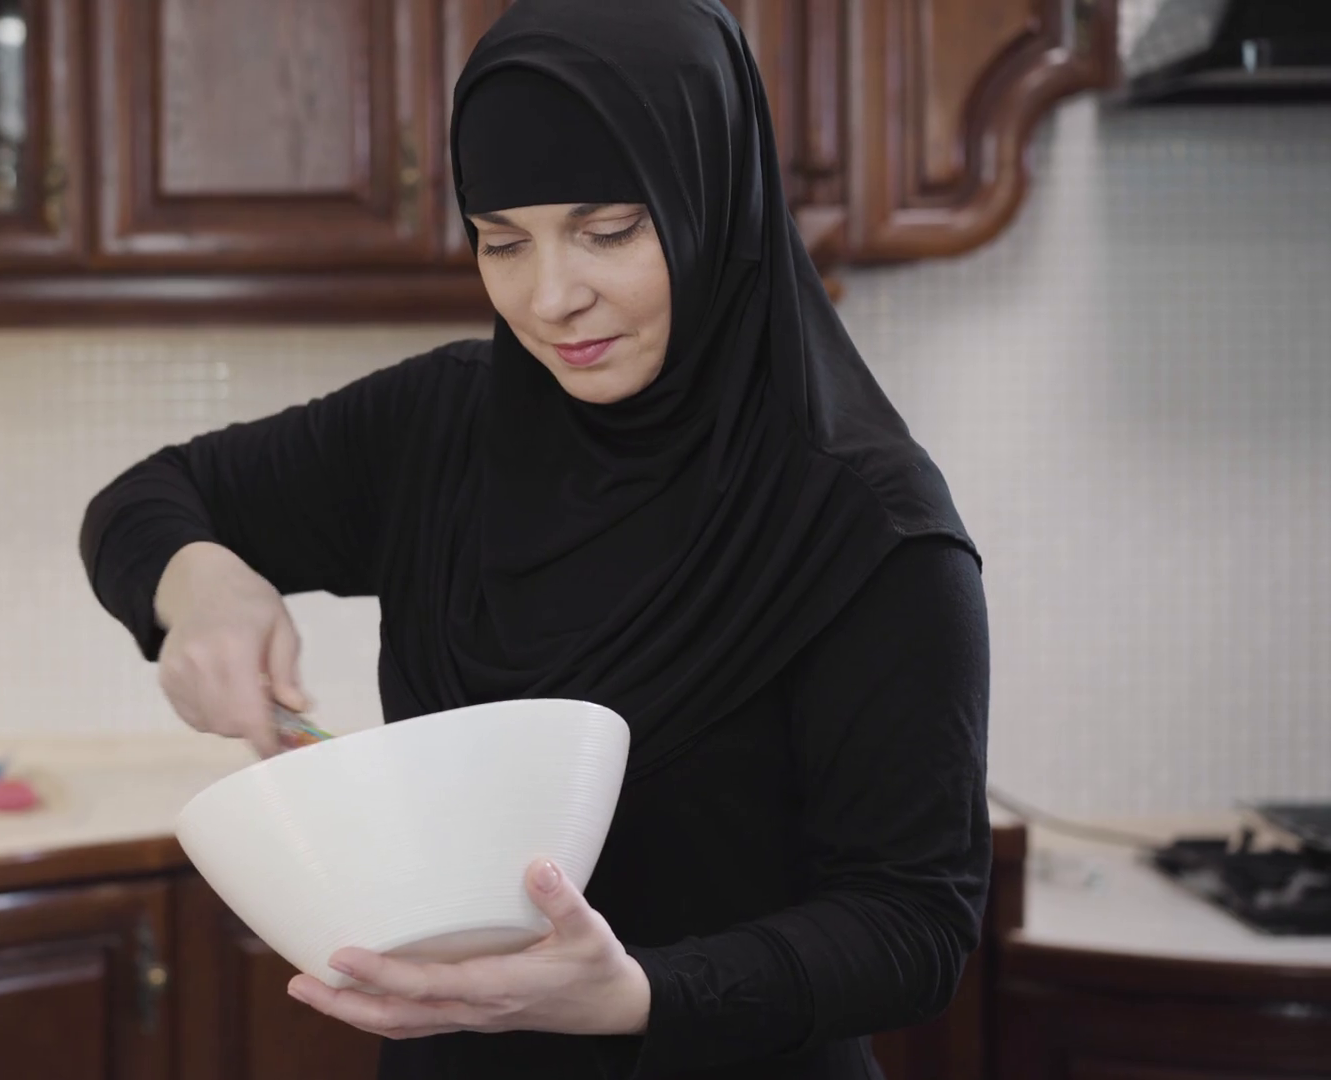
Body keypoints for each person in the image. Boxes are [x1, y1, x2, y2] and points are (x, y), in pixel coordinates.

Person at [79, 1, 990, 1076]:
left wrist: (638, 994)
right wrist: (203, 587)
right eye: (500, 241)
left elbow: (914, 928)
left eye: (610, 230)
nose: (550, 297)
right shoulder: (440, 430)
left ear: (714, 204)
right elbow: (148, 500)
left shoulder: (871, 526)